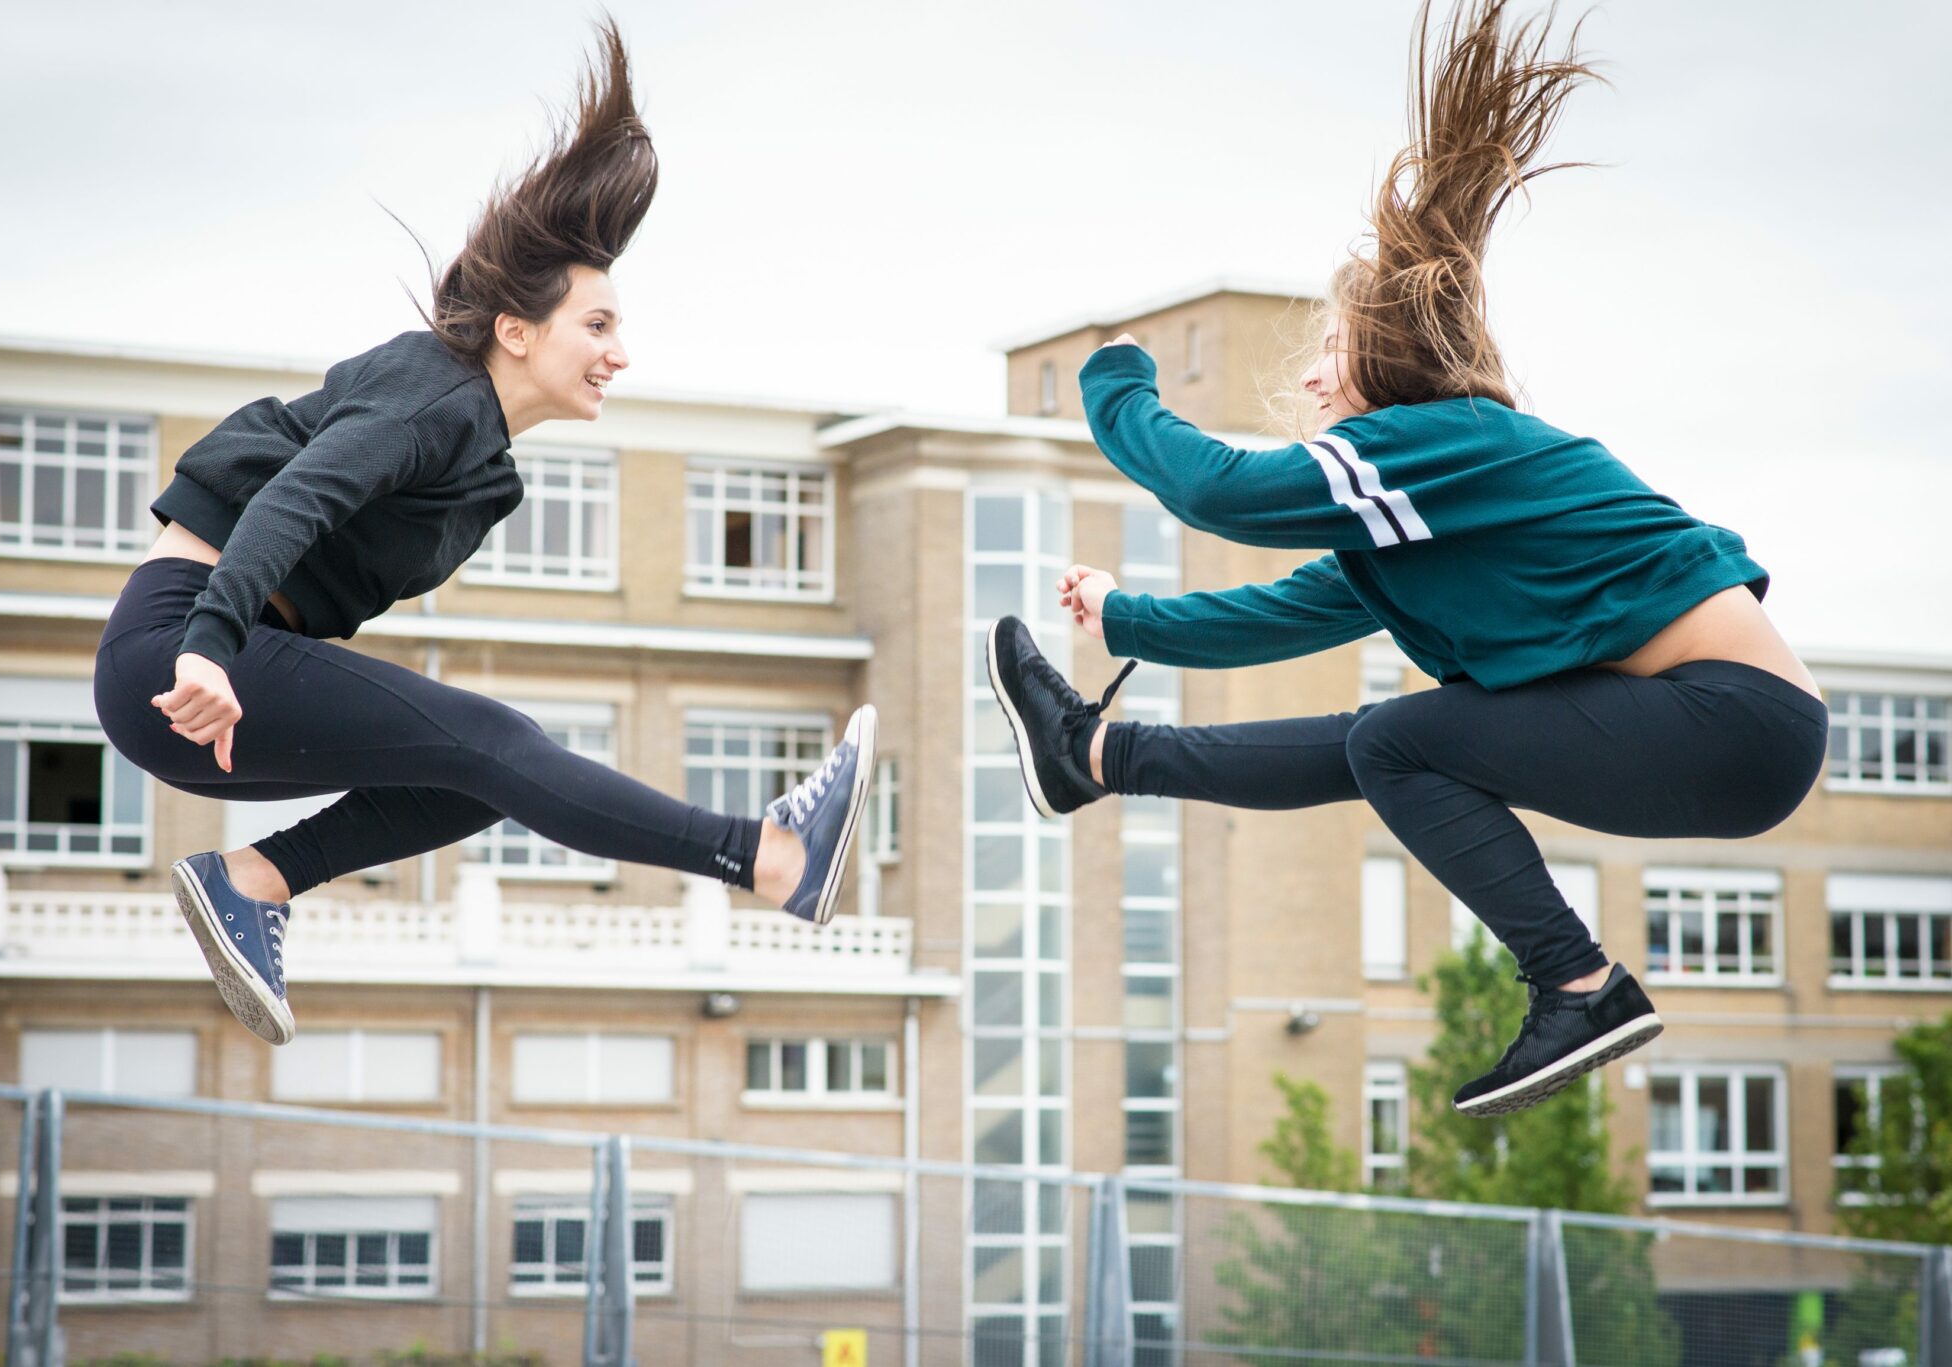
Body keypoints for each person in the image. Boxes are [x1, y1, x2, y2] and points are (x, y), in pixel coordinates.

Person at [986, 0, 1826, 1118]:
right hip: (1725, 737)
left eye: (1327, 354)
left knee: (1398, 739)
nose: (1310, 381)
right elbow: (1286, 611)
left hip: (1731, 719)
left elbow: (1215, 490)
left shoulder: (1445, 443)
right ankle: (1094, 756)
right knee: (1386, 742)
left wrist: (1116, 380)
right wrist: (1127, 619)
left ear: (1385, 359)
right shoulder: (1428, 512)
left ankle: (1577, 984)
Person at [92, 26, 876, 1047]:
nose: (620, 354)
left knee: (478, 767)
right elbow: (297, 497)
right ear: (516, 329)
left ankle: (253, 880)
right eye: (597, 326)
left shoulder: (485, 466)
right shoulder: (439, 392)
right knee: (498, 743)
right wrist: (208, 642)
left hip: (217, 691)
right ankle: (769, 855)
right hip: (181, 657)